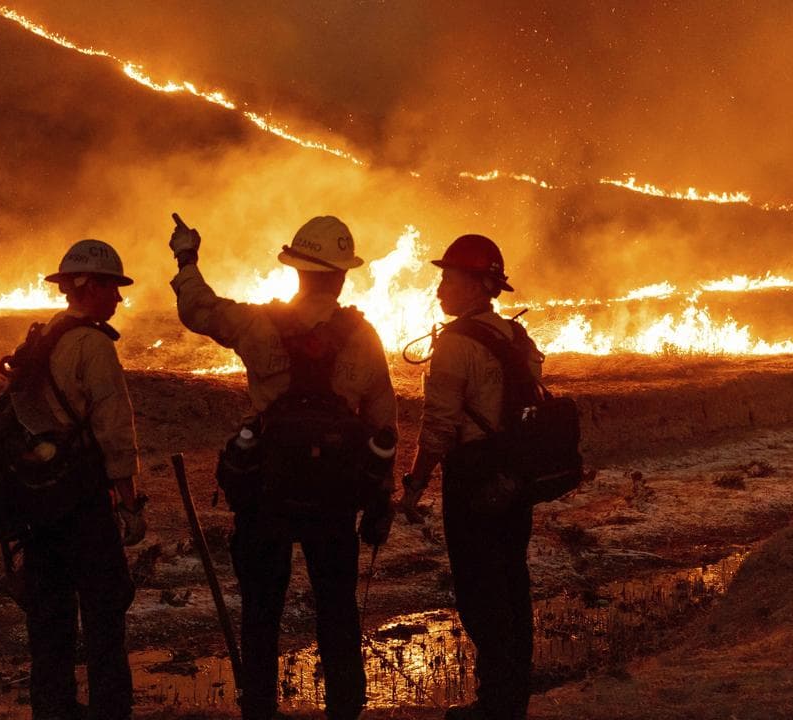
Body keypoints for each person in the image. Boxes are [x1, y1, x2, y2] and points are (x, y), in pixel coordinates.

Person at [169, 214, 397, 720]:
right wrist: (381, 500)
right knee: (338, 612)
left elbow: (199, 310)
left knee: (261, 614)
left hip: (266, 494)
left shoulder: (259, 324)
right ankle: (344, 707)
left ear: (296, 269)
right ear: (341, 276)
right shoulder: (364, 336)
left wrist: (186, 259)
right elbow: (384, 425)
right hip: (335, 502)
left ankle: (261, 709)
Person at [397, 234, 544, 720]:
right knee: (512, 584)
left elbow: (438, 426)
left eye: (450, 277)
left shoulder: (457, 345)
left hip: (475, 480)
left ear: (480, 285)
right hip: (514, 479)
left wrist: (415, 485)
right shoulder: (515, 336)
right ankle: (511, 698)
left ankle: (495, 704)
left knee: (480, 591)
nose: (441, 286)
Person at [10, 238, 147, 720]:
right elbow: (114, 430)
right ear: (91, 286)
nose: (119, 298)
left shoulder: (48, 334)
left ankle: (53, 710)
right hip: (85, 503)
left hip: (42, 504)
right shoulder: (92, 345)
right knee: (105, 615)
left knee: (50, 621)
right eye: (114, 288)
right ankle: (111, 711)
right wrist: (129, 503)